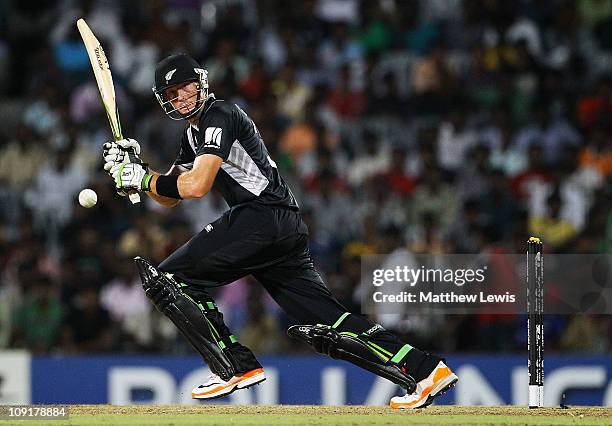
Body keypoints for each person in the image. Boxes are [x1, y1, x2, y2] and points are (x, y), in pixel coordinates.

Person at [103, 54, 457, 408]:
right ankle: (426, 370)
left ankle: (233, 367)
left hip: (261, 217)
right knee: (330, 323)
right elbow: (171, 197)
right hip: (280, 225)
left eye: (185, 88)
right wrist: (136, 172)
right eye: (172, 94)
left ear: (201, 82)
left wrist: (142, 178)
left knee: (168, 278)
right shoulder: (194, 134)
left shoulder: (219, 115)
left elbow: (196, 186)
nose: (181, 98)